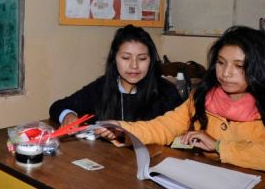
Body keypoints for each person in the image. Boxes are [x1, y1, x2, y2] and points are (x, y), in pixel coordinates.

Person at [100, 26, 265, 184]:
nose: (226, 73)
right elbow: (164, 126)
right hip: (225, 186)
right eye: (221, 63)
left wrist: (218, 147)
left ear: (260, 68)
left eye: (239, 66)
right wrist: (121, 128)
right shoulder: (203, 97)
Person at [49, 25, 183, 126]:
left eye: (142, 59)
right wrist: (69, 115)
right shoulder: (102, 87)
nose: (134, 66)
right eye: (126, 58)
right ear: (114, 59)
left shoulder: (166, 92)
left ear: (151, 61)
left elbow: (182, 128)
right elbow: (58, 107)